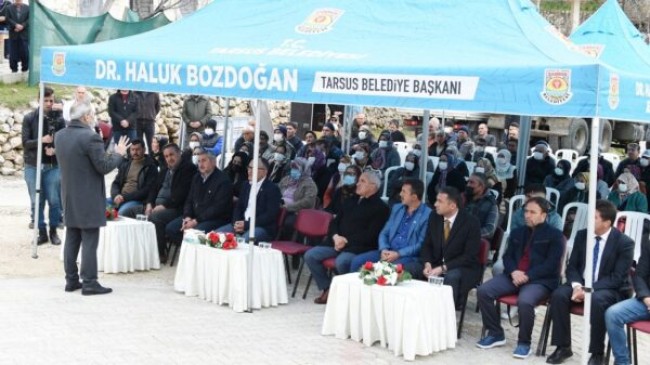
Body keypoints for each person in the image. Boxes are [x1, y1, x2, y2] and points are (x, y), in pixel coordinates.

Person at [55, 99, 130, 295]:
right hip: (88, 195)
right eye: (93, 115)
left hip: (69, 194)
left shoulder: (60, 135)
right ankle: (89, 282)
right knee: (89, 239)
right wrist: (119, 153)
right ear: (87, 116)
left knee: (72, 237)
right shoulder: (90, 137)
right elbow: (103, 166)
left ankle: (71, 280)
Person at [546, 200, 634, 365]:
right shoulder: (582, 235)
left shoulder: (624, 243)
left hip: (609, 288)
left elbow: (616, 278)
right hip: (582, 282)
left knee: (597, 300)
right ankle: (563, 347)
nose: (589, 221)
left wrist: (588, 290)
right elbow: (572, 267)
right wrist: (577, 286)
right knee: (558, 295)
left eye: (594, 217)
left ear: (607, 222)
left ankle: (597, 353)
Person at [476, 197, 564, 359]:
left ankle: (524, 343)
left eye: (532, 212)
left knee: (525, 301)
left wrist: (528, 275)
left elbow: (551, 265)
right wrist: (513, 272)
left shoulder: (555, 236)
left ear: (543, 215)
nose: (527, 215)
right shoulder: (518, 232)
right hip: (514, 275)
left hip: (540, 280)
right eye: (526, 211)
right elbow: (507, 257)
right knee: (483, 291)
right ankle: (495, 332)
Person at [305, 171, 389, 304]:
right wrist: (336, 236)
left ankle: (346, 291)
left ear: (373, 186)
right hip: (336, 242)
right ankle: (328, 288)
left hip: (358, 247)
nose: (357, 183)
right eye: (359, 180)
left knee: (342, 262)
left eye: (362, 181)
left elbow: (371, 235)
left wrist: (347, 241)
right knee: (311, 255)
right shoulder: (351, 200)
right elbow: (335, 222)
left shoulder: (381, 208)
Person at [408, 186, 480, 307]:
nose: (435, 204)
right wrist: (427, 263)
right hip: (435, 262)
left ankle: (446, 313)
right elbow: (427, 245)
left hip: (460, 266)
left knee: (451, 277)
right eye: (436, 200)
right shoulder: (434, 217)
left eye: (440, 201)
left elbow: (469, 256)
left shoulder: (471, 222)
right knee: (410, 268)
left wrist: (443, 268)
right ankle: (412, 307)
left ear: (452, 205)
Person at [124, 143, 197, 263]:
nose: (169, 158)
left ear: (179, 153)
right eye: (166, 156)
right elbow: (153, 189)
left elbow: (182, 194)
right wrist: (149, 204)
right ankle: (134, 249)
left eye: (172, 155)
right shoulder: (164, 170)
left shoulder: (189, 169)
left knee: (155, 217)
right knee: (128, 212)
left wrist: (164, 206)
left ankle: (159, 253)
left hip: (176, 208)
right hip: (155, 206)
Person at [350, 179, 431, 271]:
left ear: (414, 197)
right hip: (387, 250)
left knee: (388, 270)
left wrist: (398, 254)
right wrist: (384, 248)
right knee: (357, 262)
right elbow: (384, 232)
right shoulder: (397, 208)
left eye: (404, 192)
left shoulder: (427, 215)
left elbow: (420, 244)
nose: (400, 194)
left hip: (406, 256)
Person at [22, 86, 65, 244]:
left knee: (54, 200)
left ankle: (53, 231)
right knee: (36, 200)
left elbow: (65, 141)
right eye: (45, 100)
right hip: (33, 165)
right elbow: (25, 143)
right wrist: (41, 140)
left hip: (52, 166)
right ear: (39, 100)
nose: (48, 103)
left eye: (51, 100)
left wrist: (55, 149)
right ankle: (41, 232)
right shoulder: (30, 118)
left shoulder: (60, 120)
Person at [165, 150, 233, 245]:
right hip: (195, 217)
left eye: (204, 160)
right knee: (171, 228)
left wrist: (196, 221)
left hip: (215, 219)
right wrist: (187, 216)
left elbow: (217, 208)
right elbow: (189, 200)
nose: (200, 164)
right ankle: (187, 251)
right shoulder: (197, 177)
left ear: (214, 162)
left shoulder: (223, 180)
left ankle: (193, 253)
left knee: (195, 233)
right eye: (199, 161)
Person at [605, 237, 650, 365]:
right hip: (646, 302)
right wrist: (646, 298)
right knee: (613, 314)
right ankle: (622, 362)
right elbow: (640, 275)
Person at [217, 158, 281, 242]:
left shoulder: (272, 189)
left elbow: (269, 215)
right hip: (241, 224)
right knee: (216, 236)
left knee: (243, 242)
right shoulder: (245, 185)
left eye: (253, 168)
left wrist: (247, 225)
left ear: (264, 172)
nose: (249, 171)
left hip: (261, 227)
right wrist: (236, 222)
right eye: (249, 168)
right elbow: (239, 207)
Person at [109, 139, 158, 215]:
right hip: (119, 197)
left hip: (136, 200)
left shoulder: (150, 166)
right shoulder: (126, 164)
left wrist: (124, 198)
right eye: (133, 149)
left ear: (144, 150)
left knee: (122, 213)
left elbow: (147, 190)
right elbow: (116, 183)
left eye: (138, 149)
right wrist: (116, 195)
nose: (135, 152)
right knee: (100, 205)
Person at [278, 158, 318, 231]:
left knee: (288, 223)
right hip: (280, 207)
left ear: (303, 169)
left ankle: (284, 240)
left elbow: (308, 202)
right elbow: (276, 190)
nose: (293, 171)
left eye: (296, 168)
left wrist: (288, 207)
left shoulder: (310, 184)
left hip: (296, 212)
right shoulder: (287, 179)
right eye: (293, 168)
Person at [464, 173, 499, 240]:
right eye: (468, 182)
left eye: (472, 183)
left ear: (481, 186)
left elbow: (489, 230)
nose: (468, 185)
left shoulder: (491, 205)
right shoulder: (463, 199)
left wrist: (470, 234)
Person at [5, 0, 28, 73]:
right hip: (13, 33)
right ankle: (14, 69)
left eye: (20, 1)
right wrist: (15, 25)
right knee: (13, 52)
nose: (18, 2)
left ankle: (25, 68)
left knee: (25, 52)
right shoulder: (8, 8)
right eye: (17, 1)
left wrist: (22, 26)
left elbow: (29, 19)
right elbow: (7, 19)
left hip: (24, 34)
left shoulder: (28, 8)